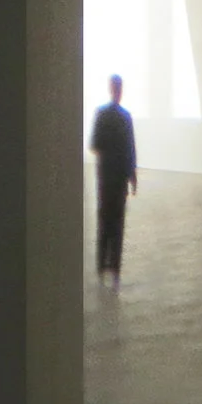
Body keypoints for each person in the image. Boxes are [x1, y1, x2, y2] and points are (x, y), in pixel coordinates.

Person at [89, 73, 137, 283]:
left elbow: (94, 145)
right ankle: (114, 266)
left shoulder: (101, 114)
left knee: (105, 220)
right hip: (118, 178)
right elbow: (130, 149)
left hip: (106, 176)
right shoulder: (125, 117)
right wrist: (132, 176)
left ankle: (103, 265)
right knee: (117, 222)